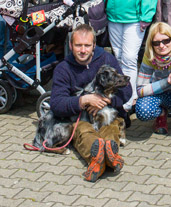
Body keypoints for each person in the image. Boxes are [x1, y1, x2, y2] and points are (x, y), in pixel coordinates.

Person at [49, 23, 129, 182]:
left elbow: (127, 91)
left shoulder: (107, 59)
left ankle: (107, 156)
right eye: (78, 45)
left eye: (87, 45)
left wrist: (105, 100)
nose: (83, 50)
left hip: (108, 115)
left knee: (111, 127)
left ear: (94, 45)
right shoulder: (63, 68)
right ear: (71, 45)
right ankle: (98, 157)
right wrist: (84, 100)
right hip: (81, 119)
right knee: (82, 131)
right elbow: (56, 104)